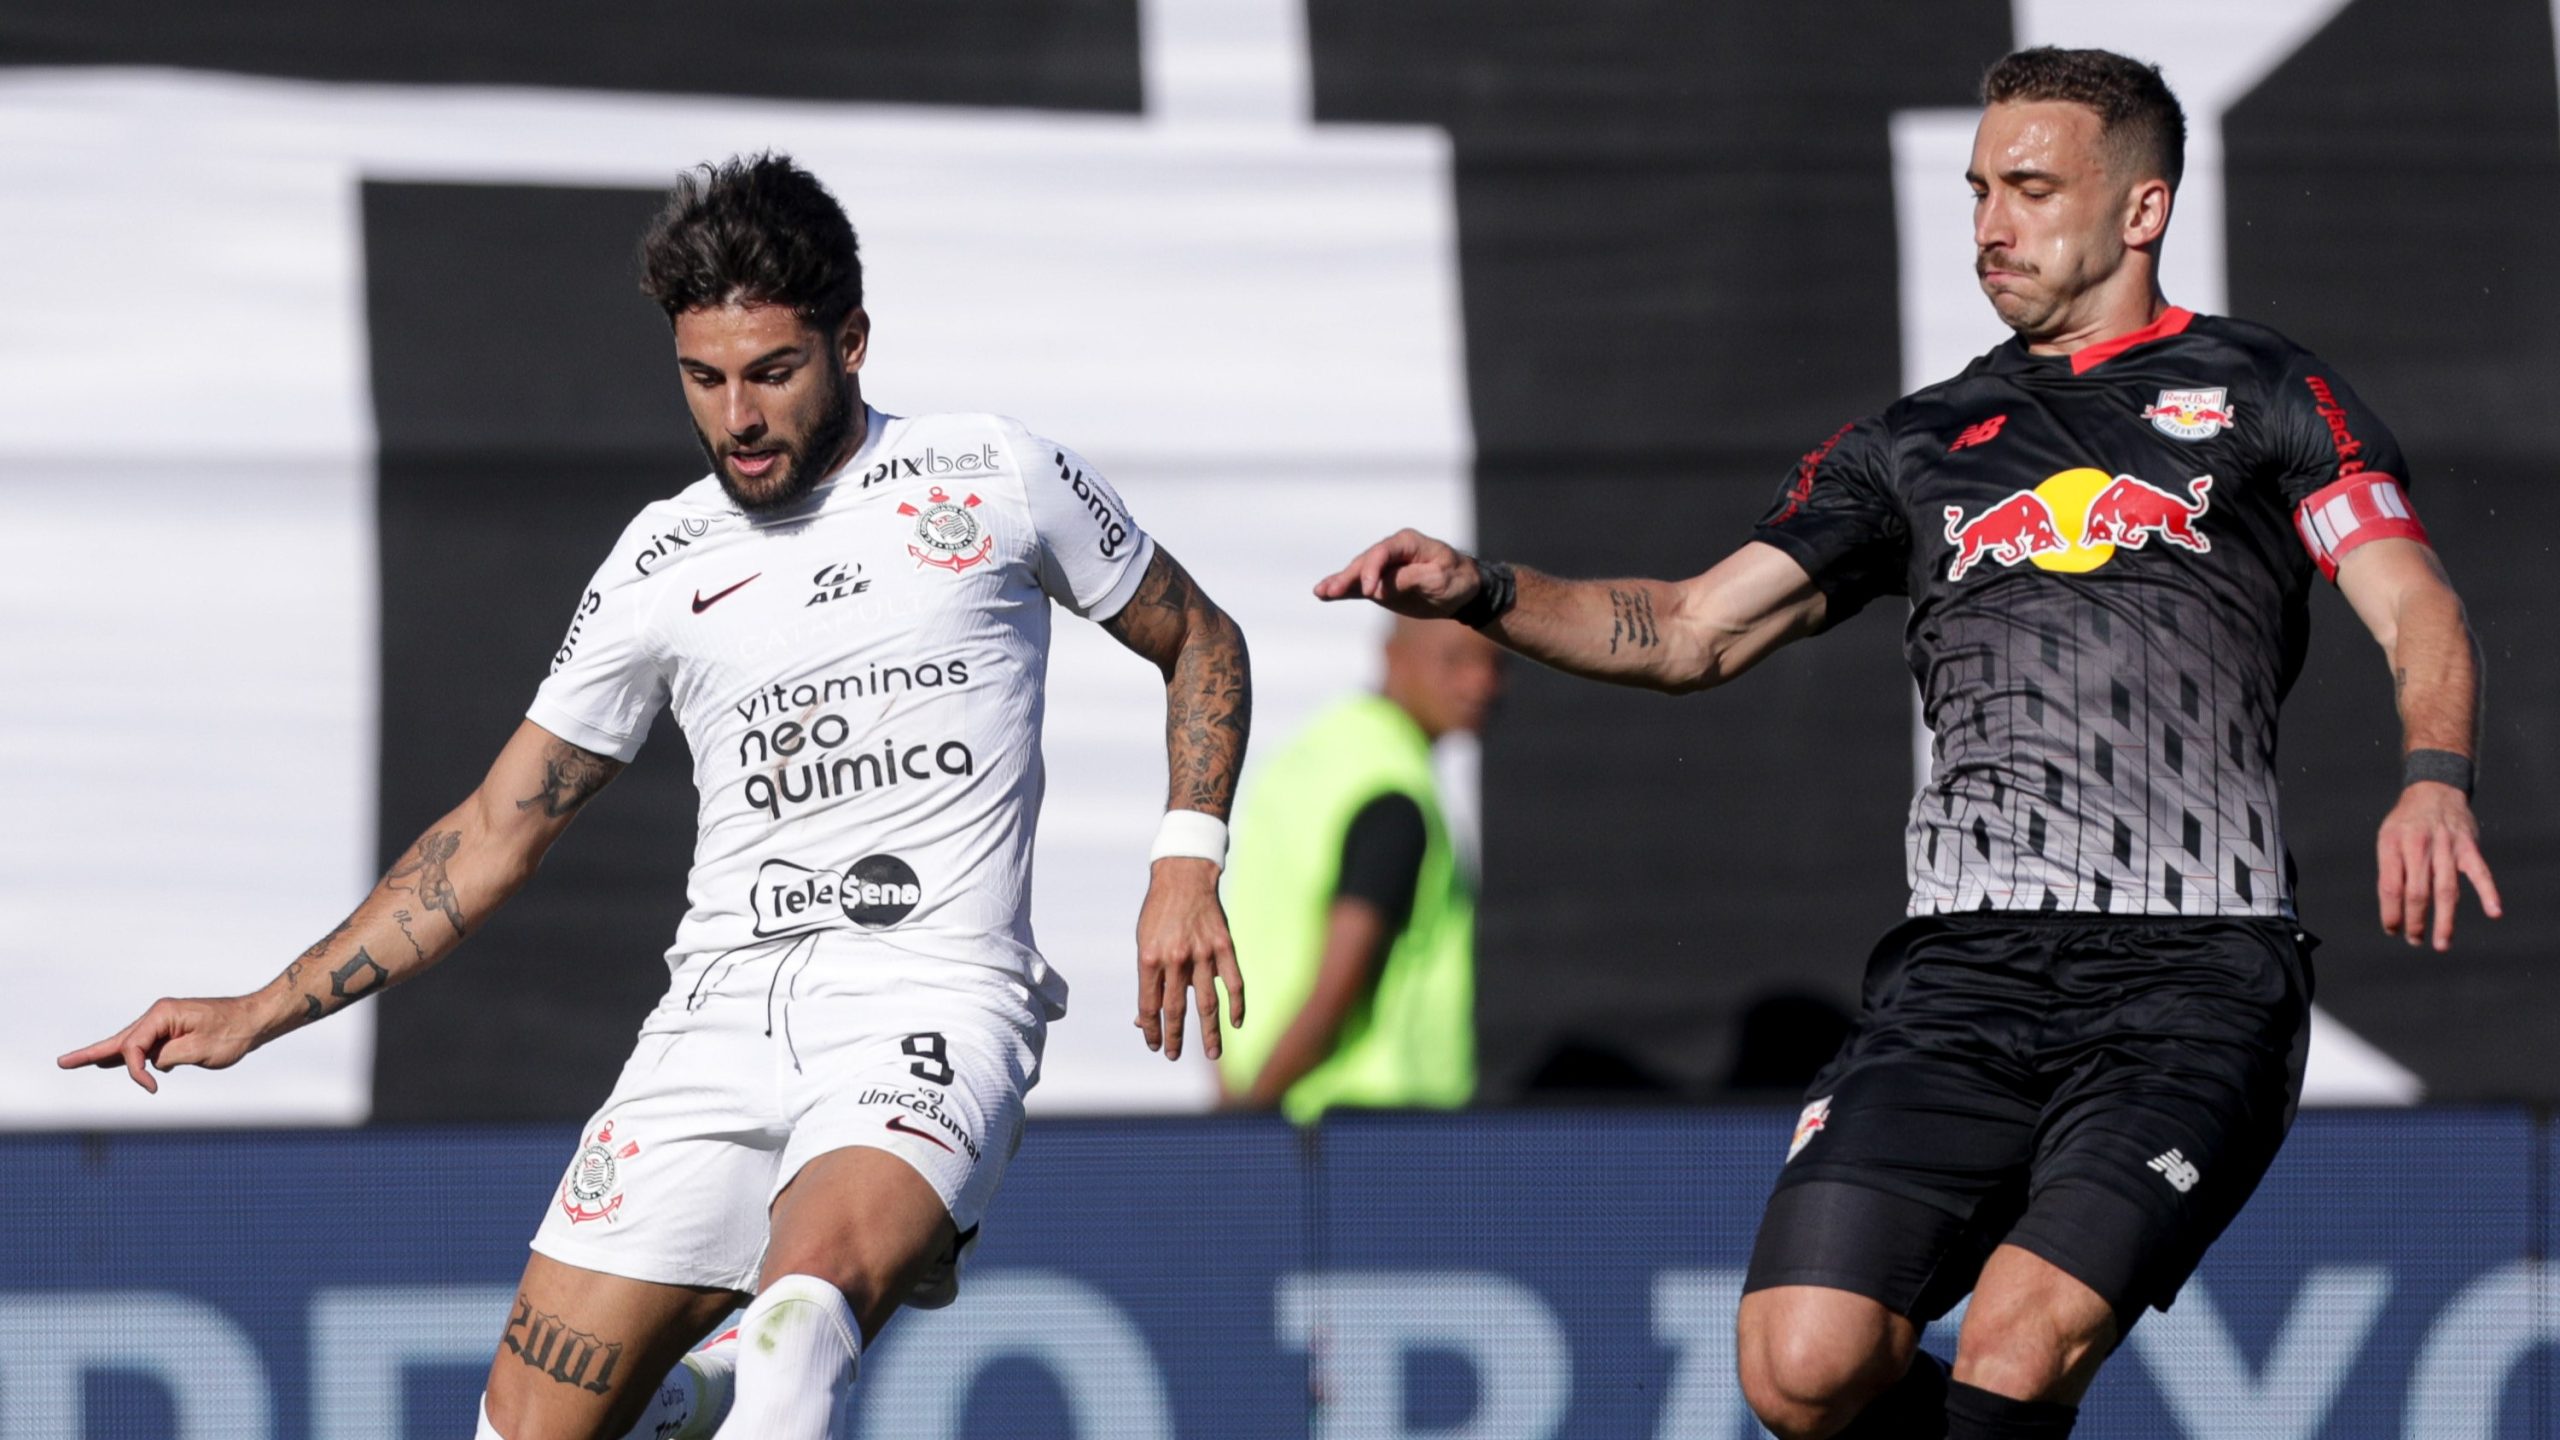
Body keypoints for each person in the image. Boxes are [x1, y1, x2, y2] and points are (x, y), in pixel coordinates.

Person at [1317, 47, 2499, 1440]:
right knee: (1799, 1363)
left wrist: (2433, 776)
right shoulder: (1917, 444)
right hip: (1961, 976)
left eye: (2032, 186)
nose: (1992, 222)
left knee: (2015, 1341)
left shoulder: (2262, 392)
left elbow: (2415, 600)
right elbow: (1690, 630)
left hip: (2194, 974)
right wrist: (1491, 591)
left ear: (2141, 209)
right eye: (1979, 188)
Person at [58, 153, 1253, 1440]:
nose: (737, 414)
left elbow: (1201, 638)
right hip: (715, 1028)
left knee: (799, 1336)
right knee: (520, 1430)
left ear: (851, 342)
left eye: (772, 372)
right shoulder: (657, 557)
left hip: (926, 999)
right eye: (703, 378)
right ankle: (698, 1396)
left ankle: (773, 1344)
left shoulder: (992, 475)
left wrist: (1185, 859)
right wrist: (260, 1009)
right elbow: (495, 829)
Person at [1218, 616, 1500, 1121]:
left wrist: (1235, 1100)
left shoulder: (1303, 761)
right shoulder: (1394, 790)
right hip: (1377, 1136)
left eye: (1498, 662)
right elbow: (1339, 987)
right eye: (1457, 659)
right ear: (1393, 655)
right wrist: (1244, 1122)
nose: (1482, 682)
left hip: (1289, 1120)